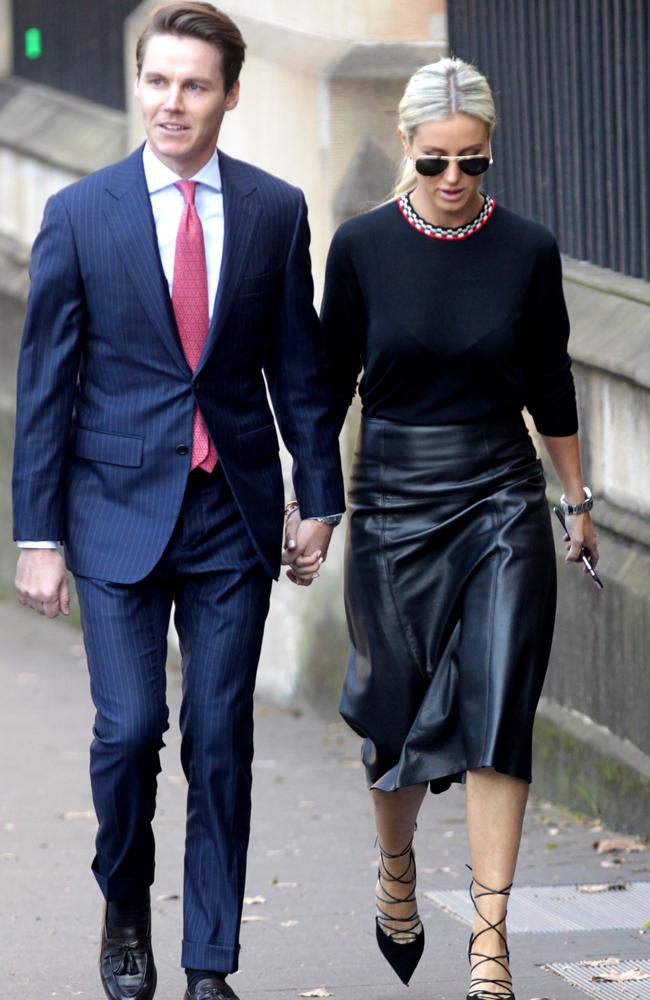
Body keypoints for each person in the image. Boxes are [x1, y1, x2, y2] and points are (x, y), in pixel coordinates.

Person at [12, 4, 344, 999]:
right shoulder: (81, 214)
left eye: (194, 84)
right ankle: (123, 904)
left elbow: (299, 369)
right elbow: (44, 388)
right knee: (127, 732)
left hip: (229, 515)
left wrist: (317, 495)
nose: (172, 101)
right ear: (138, 85)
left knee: (217, 739)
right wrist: (37, 535)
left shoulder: (276, 211)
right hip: (111, 513)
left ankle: (207, 965)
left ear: (228, 95)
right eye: (158, 81)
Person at [315, 57, 599, 998]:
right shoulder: (360, 246)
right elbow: (327, 385)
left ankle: (490, 938)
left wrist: (577, 500)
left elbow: (551, 380)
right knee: (389, 712)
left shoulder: (526, 248)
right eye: (435, 161)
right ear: (407, 146)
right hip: (395, 495)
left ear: (489, 153)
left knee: (498, 706)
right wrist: (312, 505)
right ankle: (397, 869)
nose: (451, 182)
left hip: (502, 496)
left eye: (472, 164)